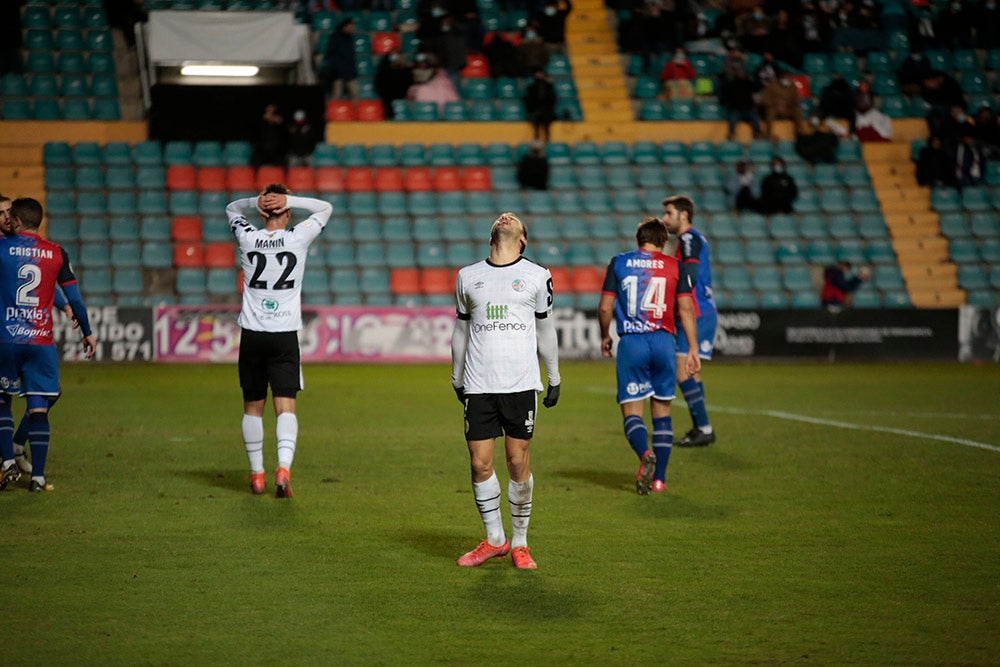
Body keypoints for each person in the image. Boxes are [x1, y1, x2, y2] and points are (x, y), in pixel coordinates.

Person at [450, 212, 560, 570]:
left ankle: (521, 543)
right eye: (501, 217)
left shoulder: (537, 275)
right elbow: (461, 331)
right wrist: (456, 376)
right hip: (479, 384)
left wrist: (554, 376)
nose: (506, 216)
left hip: (520, 383)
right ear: (491, 236)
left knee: (517, 462)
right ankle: (496, 540)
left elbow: (545, 331)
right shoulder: (468, 276)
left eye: (515, 220)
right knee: (479, 464)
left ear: (523, 240)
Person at [226, 184, 333, 497]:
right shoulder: (297, 237)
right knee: (286, 406)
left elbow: (232, 209)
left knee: (252, 407)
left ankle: (257, 474)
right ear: (286, 211)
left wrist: (254, 201)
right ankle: (283, 468)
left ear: (262, 211)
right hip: (284, 336)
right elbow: (325, 208)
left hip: (253, 335)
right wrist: (292, 199)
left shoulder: (247, 236)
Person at [597, 217, 700, 495]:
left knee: (632, 411)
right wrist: (692, 349)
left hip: (633, 343)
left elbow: (606, 307)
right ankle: (659, 480)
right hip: (665, 342)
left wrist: (605, 335)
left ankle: (644, 454)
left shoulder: (619, 262)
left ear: (638, 239)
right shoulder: (675, 266)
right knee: (662, 412)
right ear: (665, 242)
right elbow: (686, 309)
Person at [0, 197, 97, 492]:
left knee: (2, 398)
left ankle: (9, 459)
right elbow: (74, 297)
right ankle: (37, 478)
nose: (5, 219)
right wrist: (87, 330)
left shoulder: (3, 249)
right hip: (40, 341)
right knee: (39, 404)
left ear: (16, 220)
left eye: (8, 214)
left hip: (6, 338)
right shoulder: (56, 252)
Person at [661, 195, 718, 449]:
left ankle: (704, 427)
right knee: (690, 372)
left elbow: (691, 275)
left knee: (683, 372)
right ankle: (701, 427)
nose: (665, 219)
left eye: (668, 213)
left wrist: (672, 295)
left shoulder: (687, 239)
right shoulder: (691, 239)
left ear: (683, 215)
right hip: (698, 310)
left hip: (695, 311)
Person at [323, 18, 359, 101]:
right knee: (337, 94)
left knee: (355, 93)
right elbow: (330, 55)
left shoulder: (350, 38)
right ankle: (333, 113)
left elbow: (351, 57)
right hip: (337, 73)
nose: (353, 29)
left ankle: (354, 112)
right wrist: (335, 69)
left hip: (349, 72)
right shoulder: (335, 38)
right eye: (351, 27)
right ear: (345, 26)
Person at [524, 69, 558, 144]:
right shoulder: (532, 87)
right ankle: (536, 142)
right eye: (538, 74)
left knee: (547, 128)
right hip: (536, 110)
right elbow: (528, 99)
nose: (539, 75)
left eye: (540, 74)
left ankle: (548, 142)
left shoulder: (549, 86)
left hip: (547, 110)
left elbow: (553, 98)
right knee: (536, 128)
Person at [251, 104, 288, 169]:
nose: (270, 112)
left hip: (276, 150)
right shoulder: (261, 122)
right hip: (262, 150)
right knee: (254, 160)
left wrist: (274, 120)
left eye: (272, 111)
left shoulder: (279, 122)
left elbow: (283, 126)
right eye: (268, 110)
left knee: (283, 163)